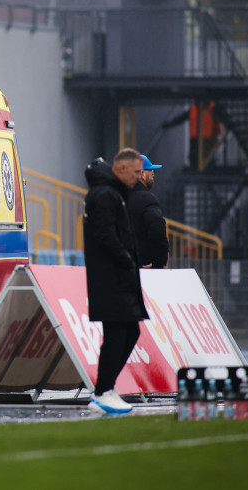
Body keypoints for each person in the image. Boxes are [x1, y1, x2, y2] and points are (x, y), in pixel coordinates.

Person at [82, 148, 149, 414]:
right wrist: (126, 260)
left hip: (118, 276)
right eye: (135, 172)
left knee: (130, 331)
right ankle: (102, 392)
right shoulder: (104, 195)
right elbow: (105, 235)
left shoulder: (112, 193)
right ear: (121, 169)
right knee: (117, 334)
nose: (139, 178)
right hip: (110, 278)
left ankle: (106, 388)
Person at [127, 154, 169, 270]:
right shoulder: (147, 200)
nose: (153, 175)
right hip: (144, 269)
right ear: (141, 174)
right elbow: (157, 230)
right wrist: (158, 262)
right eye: (150, 171)